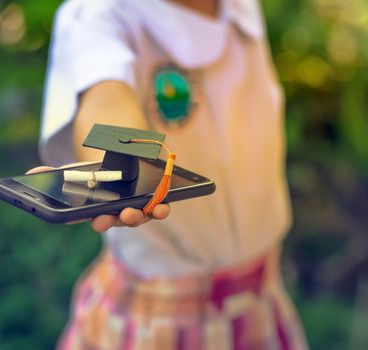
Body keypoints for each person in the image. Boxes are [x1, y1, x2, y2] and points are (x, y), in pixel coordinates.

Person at [36, 0, 308, 348]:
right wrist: (125, 159)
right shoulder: (97, 15)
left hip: (260, 298)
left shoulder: (241, 8)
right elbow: (106, 97)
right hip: (156, 319)